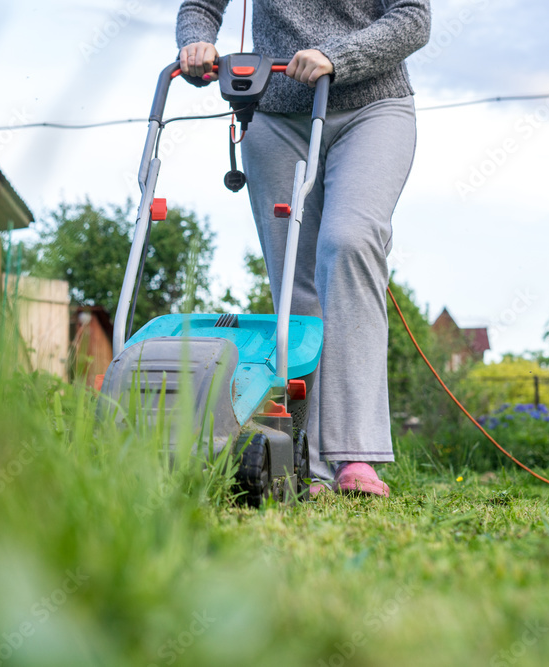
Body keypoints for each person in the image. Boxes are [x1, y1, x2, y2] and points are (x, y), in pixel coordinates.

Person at [176, 0, 431, 497]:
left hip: (371, 106)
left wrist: (337, 55)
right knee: (295, 281)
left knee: (349, 242)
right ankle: (306, 463)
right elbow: (200, 6)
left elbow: (413, 18)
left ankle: (354, 455)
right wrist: (195, 42)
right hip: (275, 113)